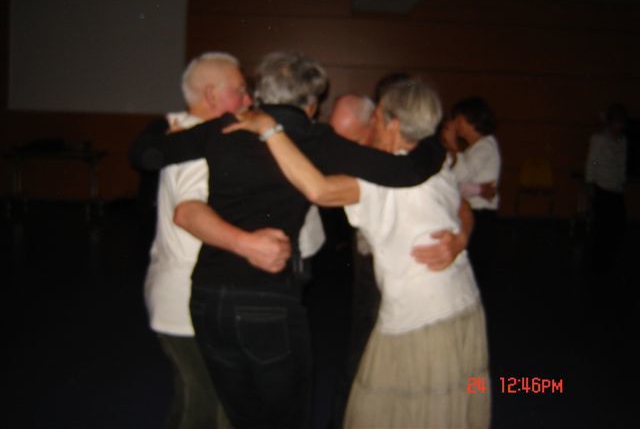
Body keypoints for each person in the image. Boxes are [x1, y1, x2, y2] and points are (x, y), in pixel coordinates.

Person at [130, 51, 452, 428]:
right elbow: (406, 170)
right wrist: (437, 142)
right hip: (265, 302)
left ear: (262, 94)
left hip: (206, 299)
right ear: (313, 104)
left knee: (239, 417)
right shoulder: (316, 139)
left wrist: (158, 124)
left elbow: (146, 155)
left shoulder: (223, 127)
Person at [225, 77, 490, 428]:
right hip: (464, 303)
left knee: (397, 411)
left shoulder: (381, 178)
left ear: (392, 124)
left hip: (421, 317)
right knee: (444, 401)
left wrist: (270, 129)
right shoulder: (435, 161)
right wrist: (460, 238)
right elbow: (463, 208)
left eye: (378, 117)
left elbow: (317, 190)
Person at [140, 52, 293, 429]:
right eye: (240, 91)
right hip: (187, 299)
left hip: (184, 294)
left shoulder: (187, 133)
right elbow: (188, 213)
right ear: (211, 96)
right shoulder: (196, 143)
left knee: (196, 399)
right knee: (207, 407)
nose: (247, 101)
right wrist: (248, 244)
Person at [449, 97, 501, 294]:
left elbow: (458, 178)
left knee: (477, 271)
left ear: (470, 119)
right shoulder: (475, 148)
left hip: (481, 215)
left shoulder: (486, 146)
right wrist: (478, 189)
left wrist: (453, 146)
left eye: (458, 119)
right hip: (473, 212)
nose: (456, 125)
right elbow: (457, 184)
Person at [585, 103, 628, 271]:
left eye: (622, 122)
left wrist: (622, 180)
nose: (620, 126)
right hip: (602, 187)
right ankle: (596, 261)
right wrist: (591, 181)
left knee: (617, 226)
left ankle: (608, 259)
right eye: (617, 122)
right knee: (602, 228)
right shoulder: (600, 140)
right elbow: (593, 161)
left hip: (616, 188)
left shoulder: (622, 141)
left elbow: (622, 164)